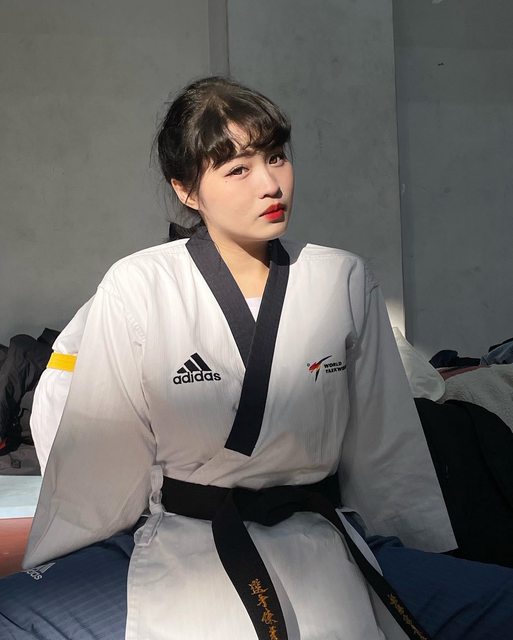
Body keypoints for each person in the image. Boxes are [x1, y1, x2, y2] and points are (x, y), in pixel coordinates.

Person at [1, 76, 513, 640]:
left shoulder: (341, 278)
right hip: (190, 539)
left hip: (318, 536)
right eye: (237, 169)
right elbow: (102, 453)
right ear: (186, 190)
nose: (270, 184)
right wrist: (73, 555)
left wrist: (408, 548)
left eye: (275, 157)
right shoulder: (140, 285)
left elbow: (383, 444)